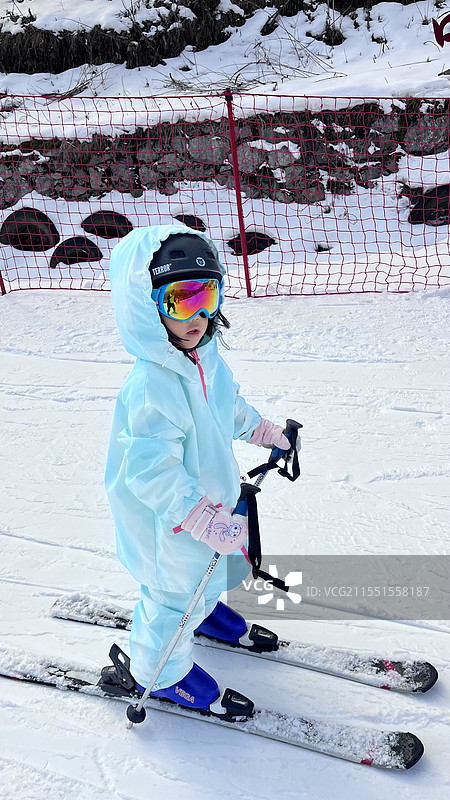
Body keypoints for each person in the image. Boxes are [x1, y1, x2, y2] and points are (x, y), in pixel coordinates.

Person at [105, 224, 292, 711]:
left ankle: (203, 614)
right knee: (171, 594)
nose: (200, 316)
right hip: (169, 517)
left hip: (208, 506)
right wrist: (198, 517)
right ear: (148, 308)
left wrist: (265, 431)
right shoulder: (152, 385)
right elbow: (149, 470)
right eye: (181, 301)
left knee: (207, 572)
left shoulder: (207, 360)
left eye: (207, 295)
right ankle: (160, 672)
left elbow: (228, 409)